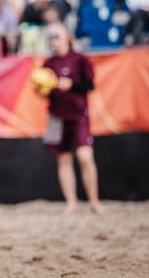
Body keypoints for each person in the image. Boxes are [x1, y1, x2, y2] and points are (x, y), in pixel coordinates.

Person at [40, 23, 104, 215]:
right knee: (64, 159)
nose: (54, 40)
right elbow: (47, 94)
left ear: (67, 36)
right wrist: (43, 89)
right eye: (50, 37)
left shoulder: (80, 59)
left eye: (57, 35)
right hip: (57, 115)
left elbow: (90, 86)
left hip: (78, 114)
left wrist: (72, 85)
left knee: (85, 157)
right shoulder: (48, 64)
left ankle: (94, 201)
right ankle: (72, 203)